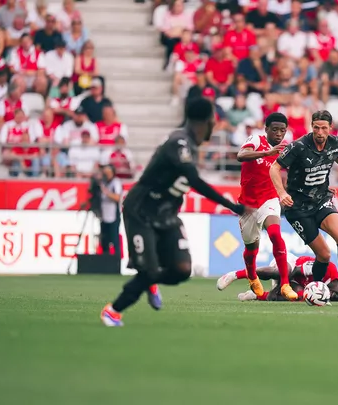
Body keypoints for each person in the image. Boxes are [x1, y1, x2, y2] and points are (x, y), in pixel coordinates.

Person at [100, 98, 251, 327]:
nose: (215, 125)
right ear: (205, 122)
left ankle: (148, 280)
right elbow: (193, 180)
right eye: (213, 121)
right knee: (149, 270)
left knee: (182, 270)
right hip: (141, 211)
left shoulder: (190, 145)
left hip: (167, 214)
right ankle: (113, 311)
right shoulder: (178, 142)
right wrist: (232, 206)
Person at [269, 110, 338, 305]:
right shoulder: (298, 147)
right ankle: (314, 288)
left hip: (322, 200)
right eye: (316, 127)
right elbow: (274, 167)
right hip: (298, 208)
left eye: (324, 128)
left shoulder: (335, 143)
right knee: (324, 254)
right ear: (311, 127)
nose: (320, 132)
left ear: (330, 128)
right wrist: (282, 193)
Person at [236, 112, 297, 301]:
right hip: (247, 204)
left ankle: (285, 283)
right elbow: (241, 155)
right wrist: (266, 153)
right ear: (266, 129)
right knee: (251, 248)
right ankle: (252, 276)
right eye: (275, 130)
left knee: (274, 234)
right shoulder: (256, 140)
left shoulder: (286, 150)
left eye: (283, 131)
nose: (279, 134)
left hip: (269, 199)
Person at [216, 254, 338, 303]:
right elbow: (296, 270)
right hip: (291, 264)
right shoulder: (330, 269)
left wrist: (275, 293)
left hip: (291, 284)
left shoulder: (326, 294)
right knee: (279, 272)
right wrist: (280, 286)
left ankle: (255, 296)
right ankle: (235, 274)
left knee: (297, 296)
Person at [97, 164, 123, 256]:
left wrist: (107, 193)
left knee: (114, 239)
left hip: (113, 215)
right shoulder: (103, 182)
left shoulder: (115, 182)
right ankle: (105, 261)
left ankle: (116, 261)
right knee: (104, 240)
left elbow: (117, 197)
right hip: (103, 215)